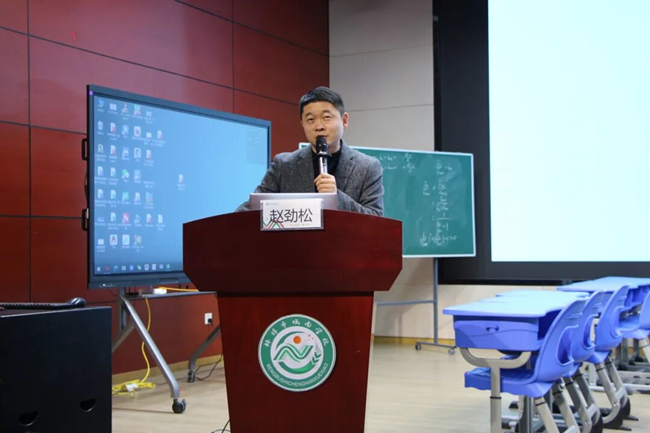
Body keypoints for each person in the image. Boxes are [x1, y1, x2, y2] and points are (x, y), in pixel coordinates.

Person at [236, 87, 384, 216]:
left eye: (326, 117)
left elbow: (375, 219)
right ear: (302, 124)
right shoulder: (284, 165)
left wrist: (337, 197)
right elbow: (253, 207)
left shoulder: (368, 167)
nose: (319, 126)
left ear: (344, 120)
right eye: (311, 119)